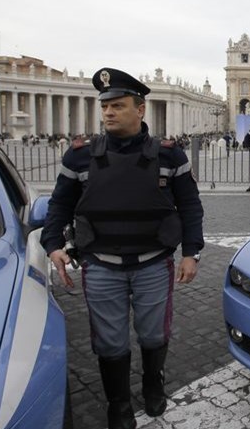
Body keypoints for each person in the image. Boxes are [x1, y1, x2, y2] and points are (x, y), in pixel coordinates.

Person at [42, 67, 204, 429]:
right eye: (105, 107)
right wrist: (53, 243)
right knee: (109, 339)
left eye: (117, 105)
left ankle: (152, 384)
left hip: (153, 262)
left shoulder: (169, 156)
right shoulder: (79, 156)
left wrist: (192, 252)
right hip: (100, 263)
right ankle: (117, 403)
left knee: (153, 333)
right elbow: (59, 205)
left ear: (141, 109)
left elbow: (190, 206)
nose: (109, 113)